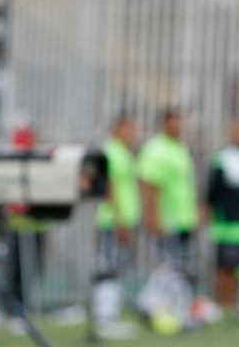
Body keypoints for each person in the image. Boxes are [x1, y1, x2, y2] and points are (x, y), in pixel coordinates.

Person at [91, 115, 141, 331]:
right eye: (129, 129)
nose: (133, 134)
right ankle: (104, 316)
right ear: (117, 129)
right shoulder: (111, 151)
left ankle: (110, 314)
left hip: (123, 221)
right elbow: (109, 187)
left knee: (116, 267)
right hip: (113, 222)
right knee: (108, 267)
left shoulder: (123, 152)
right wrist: (119, 220)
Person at [137, 109, 199, 275]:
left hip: (183, 219)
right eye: (175, 122)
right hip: (166, 220)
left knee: (182, 268)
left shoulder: (181, 148)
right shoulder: (156, 149)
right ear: (165, 124)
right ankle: (162, 301)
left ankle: (177, 300)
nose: (179, 126)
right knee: (166, 268)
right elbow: (149, 184)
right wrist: (153, 217)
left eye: (181, 122)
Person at [207, 118, 239, 310]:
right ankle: (223, 303)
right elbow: (213, 191)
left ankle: (233, 304)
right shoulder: (223, 157)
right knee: (225, 266)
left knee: (237, 266)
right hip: (226, 222)